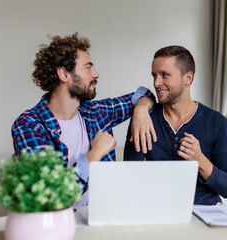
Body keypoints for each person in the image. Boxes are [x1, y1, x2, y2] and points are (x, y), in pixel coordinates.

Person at [12, 33, 157, 206]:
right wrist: (95, 154)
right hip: (61, 224)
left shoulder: (95, 112)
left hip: (107, 217)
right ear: (64, 74)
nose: (96, 74)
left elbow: (143, 95)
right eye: (88, 67)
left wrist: (140, 110)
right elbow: (50, 196)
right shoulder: (29, 125)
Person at [124, 45, 227, 205]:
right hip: (156, 211)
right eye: (154, 75)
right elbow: (129, 179)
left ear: (188, 78)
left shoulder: (217, 122)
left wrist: (200, 159)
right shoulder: (143, 120)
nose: (157, 83)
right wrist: (140, 107)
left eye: (165, 75)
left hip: (204, 215)